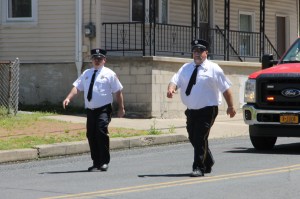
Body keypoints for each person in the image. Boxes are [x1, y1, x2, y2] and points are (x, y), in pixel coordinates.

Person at [167, 39, 236, 177]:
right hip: (191, 110)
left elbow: (226, 89)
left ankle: (199, 167)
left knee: (199, 137)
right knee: (193, 137)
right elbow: (175, 81)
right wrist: (171, 89)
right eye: (195, 51)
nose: (197, 54)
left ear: (206, 53)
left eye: (200, 51)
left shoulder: (213, 68)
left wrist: (231, 106)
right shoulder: (186, 68)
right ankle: (208, 160)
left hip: (208, 109)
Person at [63, 48, 125, 172]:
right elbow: (77, 87)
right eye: (94, 58)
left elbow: (118, 92)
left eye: (100, 58)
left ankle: (104, 162)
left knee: (101, 132)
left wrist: (121, 108)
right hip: (90, 110)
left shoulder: (109, 74)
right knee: (91, 134)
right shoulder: (86, 73)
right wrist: (68, 98)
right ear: (91, 60)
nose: (97, 61)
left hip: (104, 109)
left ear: (104, 60)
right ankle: (96, 162)